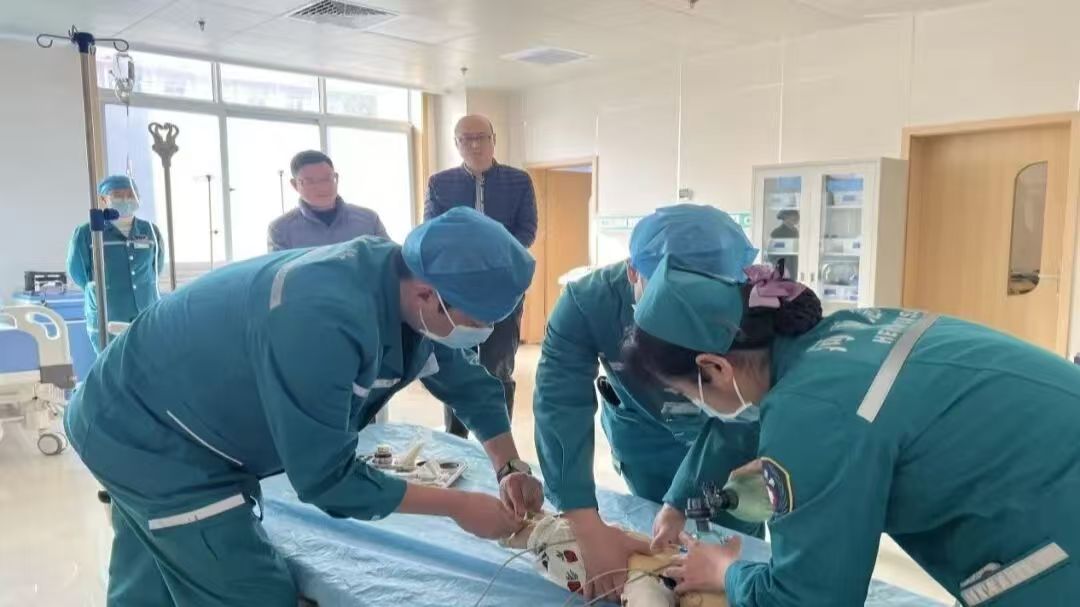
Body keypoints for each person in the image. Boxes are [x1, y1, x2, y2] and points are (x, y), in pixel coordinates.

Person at [65, 207, 545, 606]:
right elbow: (326, 479)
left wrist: (509, 467)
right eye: (476, 322)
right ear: (427, 294)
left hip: (155, 408)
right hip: (147, 434)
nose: (481, 333)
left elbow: (469, 385)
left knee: (151, 581)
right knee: (250, 591)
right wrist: (457, 506)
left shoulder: (401, 284)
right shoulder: (320, 318)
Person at [622, 257, 1080, 606]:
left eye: (688, 393)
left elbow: (811, 598)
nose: (698, 405)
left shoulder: (810, 413)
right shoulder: (849, 329)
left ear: (714, 368)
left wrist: (726, 572)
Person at [533, 204, 762, 601]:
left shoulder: (757, 308)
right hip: (645, 439)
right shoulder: (589, 304)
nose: (681, 322)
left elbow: (752, 411)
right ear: (633, 272)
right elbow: (560, 408)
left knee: (736, 545)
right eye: (665, 299)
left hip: (732, 437)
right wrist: (586, 526)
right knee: (656, 539)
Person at [425, 114, 538, 438]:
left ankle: (498, 442)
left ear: (493, 140)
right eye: (466, 139)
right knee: (455, 367)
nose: (474, 145)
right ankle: (456, 442)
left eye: (481, 137)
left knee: (498, 368)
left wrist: (492, 258)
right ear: (456, 143)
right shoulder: (439, 183)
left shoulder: (518, 181)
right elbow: (432, 230)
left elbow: (527, 230)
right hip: (455, 292)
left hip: (503, 290)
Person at [67, 175, 165, 353]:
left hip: (146, 311)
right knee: (112, 362)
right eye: (118, 195)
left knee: (149, 360)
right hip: (108, 316)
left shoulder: (150, 231)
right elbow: (79, 273)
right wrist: (99, 289)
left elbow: (155, 268)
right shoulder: (88, 233)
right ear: (103, 199)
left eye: (130, 194)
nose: (126, 199)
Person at [268, 150, 388, 252]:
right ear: (295, 185)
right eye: (310, 181)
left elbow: (390, 261)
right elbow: (278, 271)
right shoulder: (281, 229)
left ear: (336, 177)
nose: (322, 187)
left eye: (327, 178)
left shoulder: (368, 220)